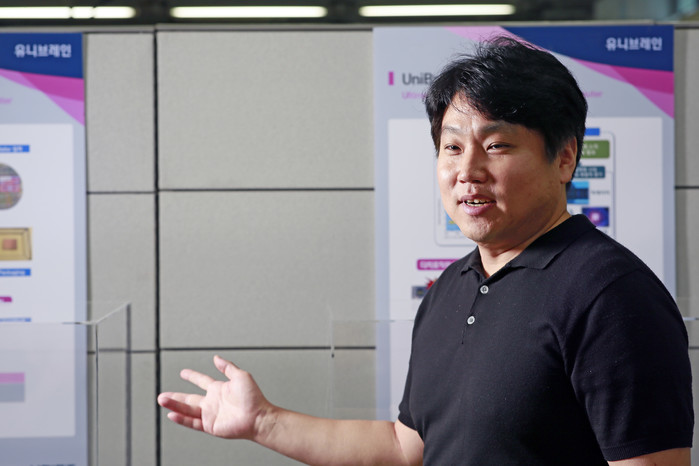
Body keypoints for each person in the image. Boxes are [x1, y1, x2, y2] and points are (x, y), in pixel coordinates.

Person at [157, 36, 693, 465]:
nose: (467, 170)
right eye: (451, 147)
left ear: (565, 158)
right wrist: (264, 421)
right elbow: (405, 447)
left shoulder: (611, 296)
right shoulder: (451, 289)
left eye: (496, 145)